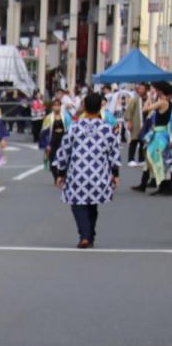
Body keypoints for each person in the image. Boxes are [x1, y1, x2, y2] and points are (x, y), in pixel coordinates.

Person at [54, 92, 120, 249]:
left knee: (78, 204)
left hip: (78, 172)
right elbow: (114, 152)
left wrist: (60, 173)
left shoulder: (74, 127)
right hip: (100, 173)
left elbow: (64, 151)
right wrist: (115, 174)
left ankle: (85, 235)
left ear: (83, 106)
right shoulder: (107, 129)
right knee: (92, 204)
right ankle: (89, 234)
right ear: (100, 107)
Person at [136, 81, 171, 195]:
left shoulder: (162, 102)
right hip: (162, 133)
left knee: (155, 158)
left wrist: (149, 97)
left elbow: (145, 109)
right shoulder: (167, 102)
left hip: (159, 135)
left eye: (155, 89)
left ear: (160, 91)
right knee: (154, 158)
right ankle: (152, 184)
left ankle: (163, 185)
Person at [126, 84, 148, 166]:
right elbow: (129, 111)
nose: (141, 90)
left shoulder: (148, 99)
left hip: (145, 123)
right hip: (136, 123)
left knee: (143, 142)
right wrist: (129, 121)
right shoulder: (135, 99)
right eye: (140, 88)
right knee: (134, 141)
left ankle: (141, 159)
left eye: (143, 88)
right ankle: (130, 159)